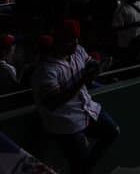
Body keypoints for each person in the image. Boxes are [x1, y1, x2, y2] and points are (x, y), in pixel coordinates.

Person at [32, 20, 119, 174]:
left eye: (76, 39)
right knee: (80, 165)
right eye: (70, 41)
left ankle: (83, 168)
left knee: (113, 131)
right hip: (64, 121)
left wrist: (99, 66)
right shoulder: (46, 68)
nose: (75, 44)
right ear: (58, 41)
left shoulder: (77, 51)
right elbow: (53, 103)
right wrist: (82, 80)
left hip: (87, 108)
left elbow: (90, 63)